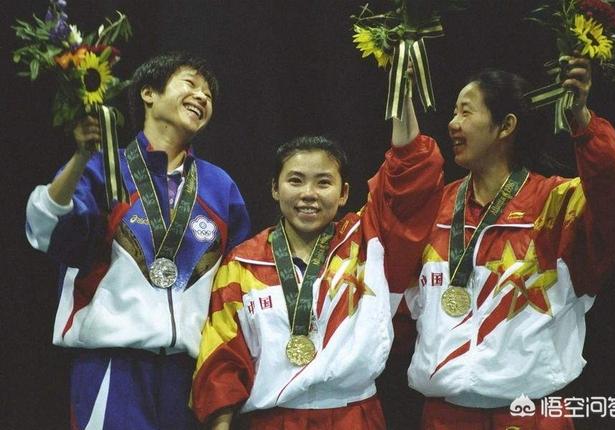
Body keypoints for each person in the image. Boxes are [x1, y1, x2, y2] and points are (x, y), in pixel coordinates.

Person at [405, 57, 615, 429]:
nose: (452, 123)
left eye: (466, 112)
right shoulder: (435, 208)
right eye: (453, 112)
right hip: (444, 417)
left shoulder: (556, 205)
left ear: (506, 126)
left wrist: (583, 122)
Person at [190, 90, 444, 429]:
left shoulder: (368, 241)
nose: (308, 194)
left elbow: (410, 176)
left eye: (323, 183)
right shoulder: (242, 263)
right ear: (275, 188)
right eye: (295, 181)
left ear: (343, 193)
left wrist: (402, 95)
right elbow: (222, 357)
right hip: (273, 421)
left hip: (354, 417)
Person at [25, 52, 251, 429]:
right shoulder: (104, 168)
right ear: (149, 93)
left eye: (209, 94)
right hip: (115, 368)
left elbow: (234, 289)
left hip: (188, 377)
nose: (202, 96)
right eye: (190, 84)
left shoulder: (220, 187)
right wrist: (80, 159)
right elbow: (47, 230)